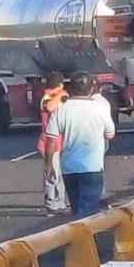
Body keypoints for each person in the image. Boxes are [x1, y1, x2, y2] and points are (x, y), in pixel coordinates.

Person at [45, 71, 115, 218]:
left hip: (68, 168)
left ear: (70, 88)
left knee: (77, 208)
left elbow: (51, 140)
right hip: (92, 167)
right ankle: (85, 239)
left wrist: (50, 166)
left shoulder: (60, 110)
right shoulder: (100, 108)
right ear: (91, 89)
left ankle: (78, 237)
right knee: (88, 212)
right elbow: (110, 134)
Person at [37, 71, 68, 214]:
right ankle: (51, 201)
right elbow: (49, 107)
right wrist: (62, 95)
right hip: (49, 143)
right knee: (52, 172)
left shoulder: (53, 97)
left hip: (57, 142)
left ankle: (60, 201)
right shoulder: (46, 98)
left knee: (59, 173)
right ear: (60, 85)